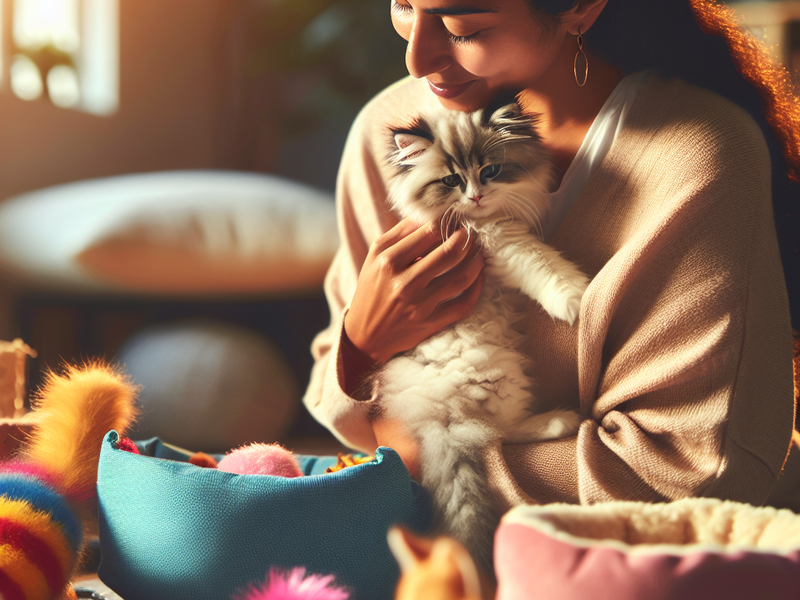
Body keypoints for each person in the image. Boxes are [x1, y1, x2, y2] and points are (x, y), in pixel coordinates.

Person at [303, 0, 800, 511]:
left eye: (464, 27)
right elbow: (329, 387)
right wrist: (359, 346)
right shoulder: (392, 133)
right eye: (403, 5)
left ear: (580, 7)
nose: (416, 58)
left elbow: (693, 469)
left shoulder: (695, 159)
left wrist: (421, 459)